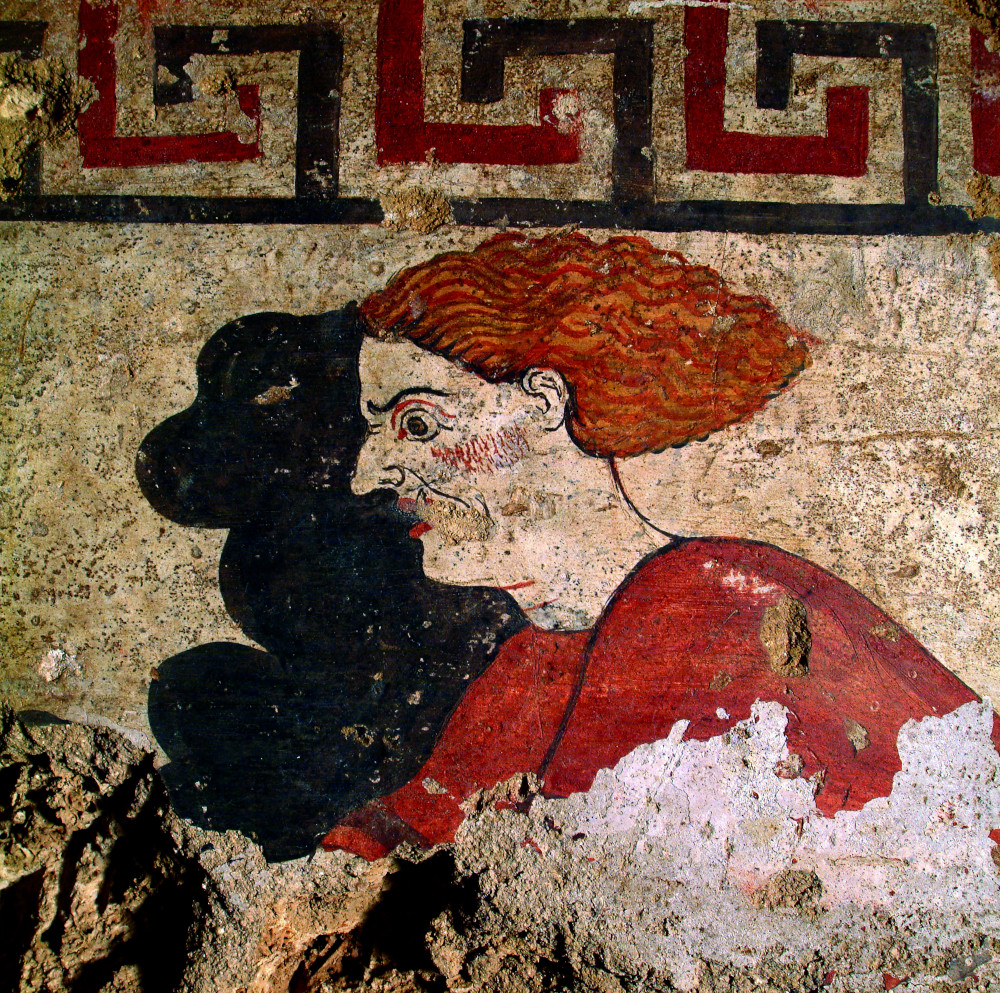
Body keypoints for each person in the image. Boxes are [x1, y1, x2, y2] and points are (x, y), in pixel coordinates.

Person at [321, 230, 1000, 861]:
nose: (365, 476)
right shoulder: (530, 662)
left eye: (417, 423)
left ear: (543, 401)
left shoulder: (714, 606)